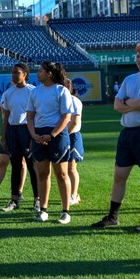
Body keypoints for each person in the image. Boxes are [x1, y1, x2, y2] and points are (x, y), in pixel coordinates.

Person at [92, 42, 140, 233]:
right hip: (127, 133)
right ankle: (113, 217)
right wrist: (132, 103)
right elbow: (117, 106)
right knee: (119, 176)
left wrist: (127, 102)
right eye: (138, 56)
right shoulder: (129, 79)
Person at [26, 61, 73, 224]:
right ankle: (43, 210)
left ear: (50, 74)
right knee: (42, 174)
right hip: (38, 134)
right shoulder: (35, 92)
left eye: (40, 71)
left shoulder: (62, 91)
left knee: (62, 174)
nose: (37, 73)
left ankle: (66, 211)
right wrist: (33, 134)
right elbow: (30, 116)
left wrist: (51, 135)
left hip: (57, 135)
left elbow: (66, 116)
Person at [0, 64, 39, 210]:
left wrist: (33, 134)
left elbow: (36, 114)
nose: (13, 75)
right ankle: (14, 200)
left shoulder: (33, 91)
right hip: (12, 131)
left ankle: (37, 200)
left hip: (27, 130)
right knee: (15, 166)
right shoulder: (8, 93)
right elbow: (6, 116)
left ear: (25, 74)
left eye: (17, 72)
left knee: (32, 166)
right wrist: (4, 136)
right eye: (12, 72)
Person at [63, 78, 83, 207]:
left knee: (71, 167)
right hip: (62, 135)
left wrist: (63, 134)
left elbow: (74, 122)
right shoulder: (60, 100)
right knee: (63, 168)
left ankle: (74, 195)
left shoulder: (75, 101)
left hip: (72, 136)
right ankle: (69, 193)